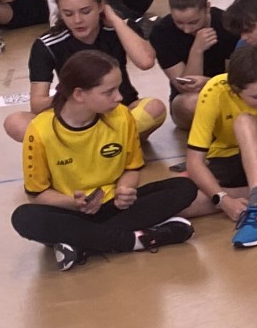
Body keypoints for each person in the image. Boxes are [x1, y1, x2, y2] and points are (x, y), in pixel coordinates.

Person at [11, 50, 200, 271]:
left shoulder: (122, 116)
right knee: (24, 217)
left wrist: (125, 190)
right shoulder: (40, 130)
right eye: (109, 92)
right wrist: (73, 203)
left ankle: (82, 244)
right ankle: (133, 241)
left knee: (184, 187)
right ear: (79, 94)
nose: (119, 97)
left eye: (118, 89)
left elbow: (132, 168)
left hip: (114, 206)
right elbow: (37, 194)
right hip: (71, 212)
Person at [8, 0, 163, 143]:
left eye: (85, 11)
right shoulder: (48, 44)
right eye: (68, 14)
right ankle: (107, 141)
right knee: (16, 123)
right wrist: (78, 96)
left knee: (154, 108)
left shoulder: (119, 29)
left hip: (117, 112)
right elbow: (37, 104)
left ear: (101, 6)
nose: (77, 20)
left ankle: (90, 144)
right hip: (74, 122)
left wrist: (115, 19)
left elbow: (146, 61)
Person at [183, 43, 257, 249]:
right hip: (227, 158)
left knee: (245, 121)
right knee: (182, 202)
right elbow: (194, 161)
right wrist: (223, 200)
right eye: (256, 96)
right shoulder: (214, 91)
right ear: (235, 90)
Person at [152, 0, 232, 129]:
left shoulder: (227, 25)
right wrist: (197, 50)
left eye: (194, 22)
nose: (187, 29)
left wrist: (209, 83)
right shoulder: (162, 32)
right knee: (193, 103)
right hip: (187, 101)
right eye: (179, 22)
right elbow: (186, 88)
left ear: (207, 8)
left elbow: (237, 80)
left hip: (227, 93)